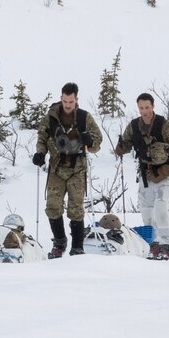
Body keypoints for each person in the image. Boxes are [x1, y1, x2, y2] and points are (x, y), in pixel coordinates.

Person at [113, 92, 169, 253]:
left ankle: (167, 242)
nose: (144, 111)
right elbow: (126, 144)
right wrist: (120, 148)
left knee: (161, 208)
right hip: (144, 175)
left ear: (152, 106)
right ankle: (153, 243)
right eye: (141, 108)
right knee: (147, 211)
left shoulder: (163, 124)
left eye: (147, 107)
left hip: (164, 174)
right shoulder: (134, 126)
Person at [33, 83, 102, 257]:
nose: (68, 105)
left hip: (77, 168)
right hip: (56, 167)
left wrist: (90, 142)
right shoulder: (51, 116)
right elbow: (42, 136)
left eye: (71, 101)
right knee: (52, 206)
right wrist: (40, 153)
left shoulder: (84, 118)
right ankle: (59, 242)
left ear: (76, 99)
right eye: (65, 101)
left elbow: (97, 143)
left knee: (75, 208)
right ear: (61, 98)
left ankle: (77, 246)